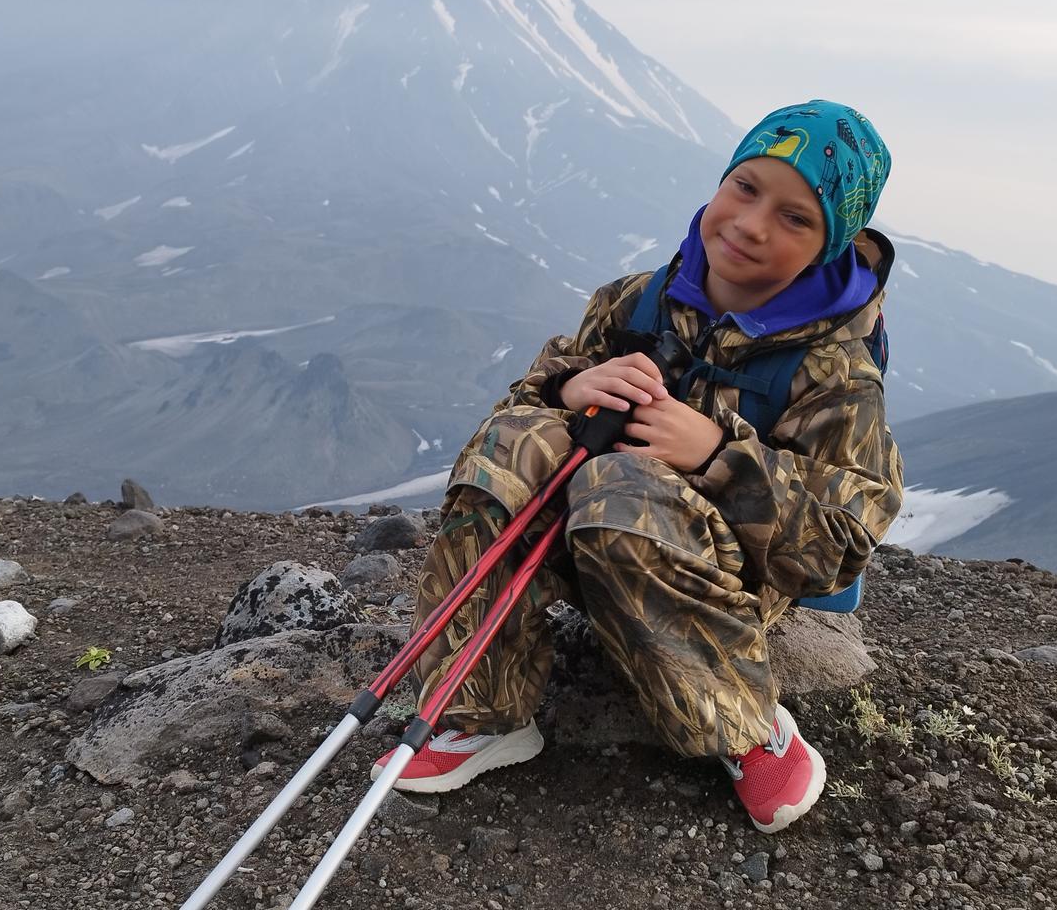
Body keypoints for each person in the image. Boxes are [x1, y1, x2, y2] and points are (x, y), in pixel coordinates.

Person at [373, 100, 904, 833]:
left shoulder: (835, 374)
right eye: (745, 187)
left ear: (828, 242)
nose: (752, 224)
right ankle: (483, 708)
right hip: (593, 536)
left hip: (725, 573)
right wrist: (567, 390)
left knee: (617, 487)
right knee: (514, 441)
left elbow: (840, 546)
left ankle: (749, 729)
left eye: (796, 218)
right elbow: (534, 394)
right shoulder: (638, 301)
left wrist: (720, 459)